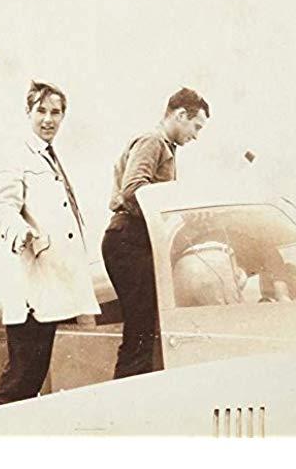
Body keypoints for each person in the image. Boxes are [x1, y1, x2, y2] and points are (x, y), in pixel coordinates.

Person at [0, 80, 100, 405]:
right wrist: (18, 231)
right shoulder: (16, 155)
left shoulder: (51, 158)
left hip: (58, 286)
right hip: (34, 287)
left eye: (56, 112)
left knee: (36, 375)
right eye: (41, 111)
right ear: (28, 112)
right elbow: (2, 206)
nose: (48, 119)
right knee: (21, 378)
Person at [102, 87, 210, 379]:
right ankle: (128, 392)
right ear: (180, 115)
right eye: (196, 127)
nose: (196, 136)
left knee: (144, 327)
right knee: (140, 327)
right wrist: (176, 209)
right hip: (129, 238)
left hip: (137, 239)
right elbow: (133, 189)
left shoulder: (166, 148)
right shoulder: (153, 141)